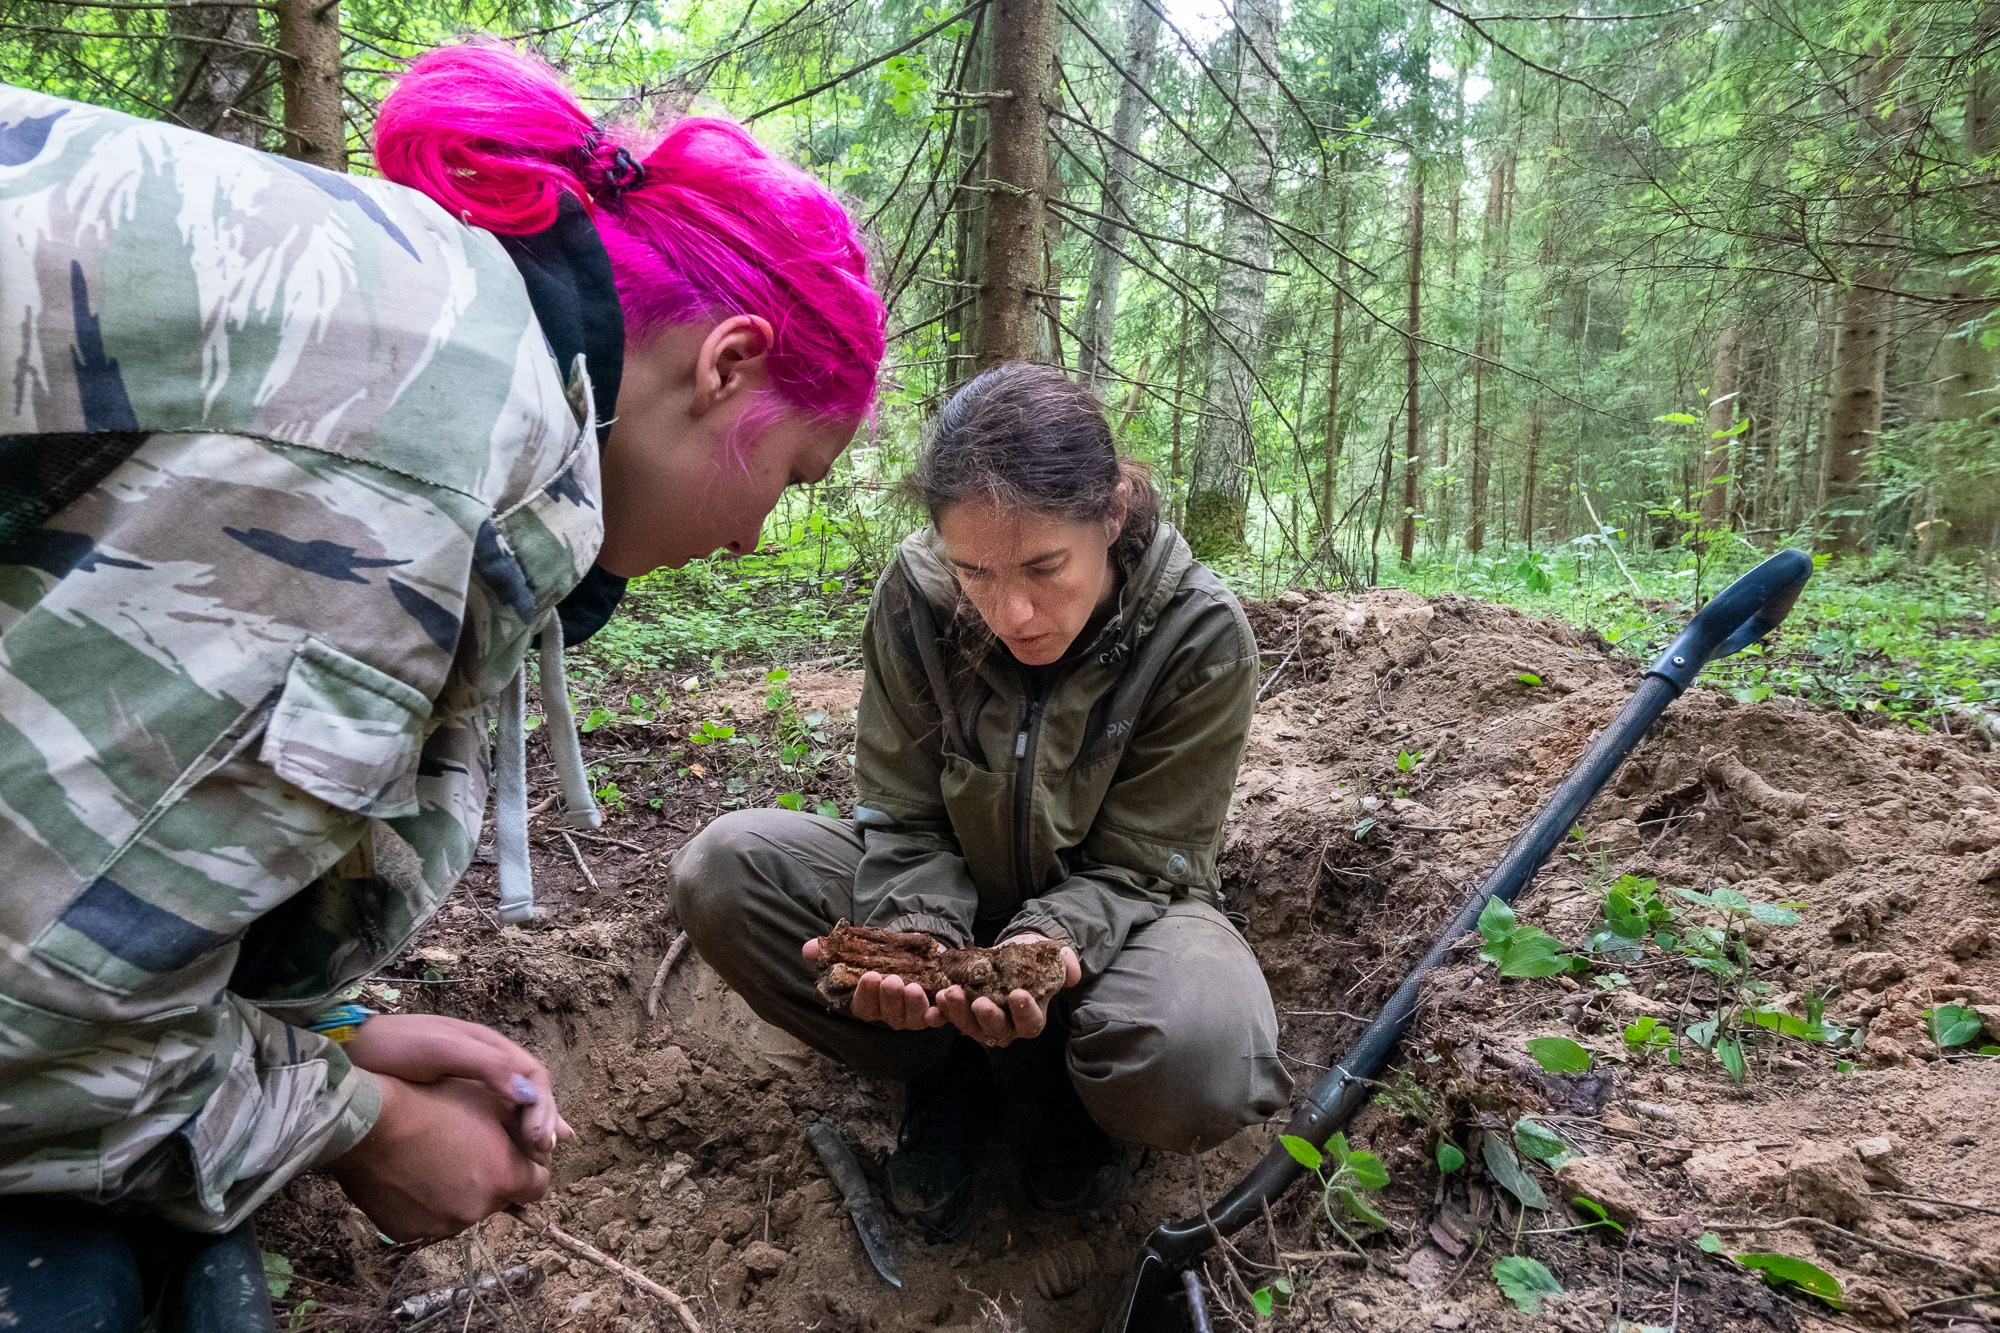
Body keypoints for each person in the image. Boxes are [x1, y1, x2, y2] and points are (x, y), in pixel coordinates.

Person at [0, 41, 884, 1330]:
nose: (753, 539)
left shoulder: (437, 321)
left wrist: (332, 1040)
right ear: (729, 364)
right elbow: (27, 1021)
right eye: (789, 480)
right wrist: (355, 1124)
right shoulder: (418, 462)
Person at [672, 364, 1291, 1243]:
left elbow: (1144, 864)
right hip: (950, 900)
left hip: (1126, 914)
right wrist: (920, 950)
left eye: (1046, 566)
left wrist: (1049, 948)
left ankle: (1083, 1100)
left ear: (1111, 514)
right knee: (723, 871)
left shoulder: (1199, 632)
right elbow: (905, 817)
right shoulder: (915, 600)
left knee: (1200, 1059)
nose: (1015, 612)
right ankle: (944, 1076)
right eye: (975, 572)